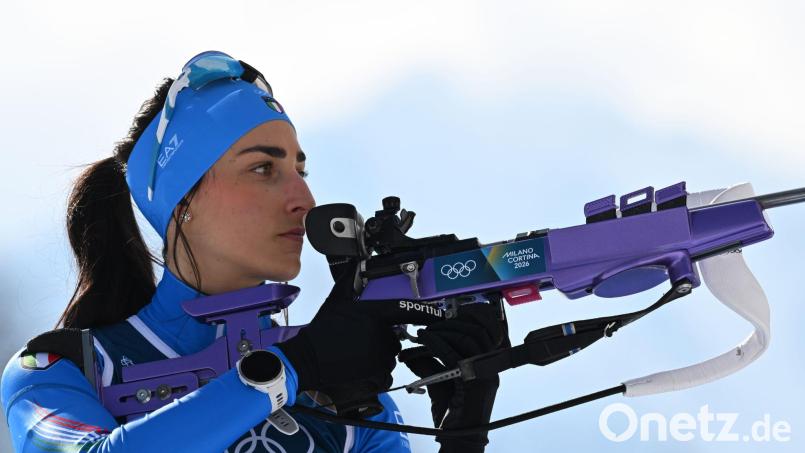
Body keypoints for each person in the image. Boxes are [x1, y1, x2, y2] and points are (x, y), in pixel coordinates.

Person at [1, 51, 506, 453]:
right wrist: (292, 368)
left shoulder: (349, 388)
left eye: (301, 171)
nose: (303, 201)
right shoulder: (56, 367)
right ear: (183, 200)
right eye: (264, 169)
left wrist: (462, 437)